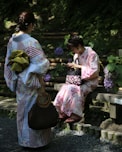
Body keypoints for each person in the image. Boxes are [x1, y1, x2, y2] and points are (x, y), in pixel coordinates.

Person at [4, 11, 52, 149]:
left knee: (23, 110)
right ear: (31, 24)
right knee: (34, 109)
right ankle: (37, 142)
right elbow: (42, 63)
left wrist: (13, 78)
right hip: (31, 81)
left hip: (19, 80)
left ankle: (24, 141)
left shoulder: (12, 40)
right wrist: (31, 71)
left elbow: (9, 62)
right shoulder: (31, 42)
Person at [53, 34, 100, 123]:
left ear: (79, 46)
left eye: (73, 48)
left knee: (73, 89)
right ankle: (63, 112)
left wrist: (78, 66)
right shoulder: (76, 55)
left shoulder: (92, 54)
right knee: (65, 88)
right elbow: (77, 70)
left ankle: (76, 114)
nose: (73, 51)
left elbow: (94, 72)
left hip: (90, 81)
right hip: (78, 80)